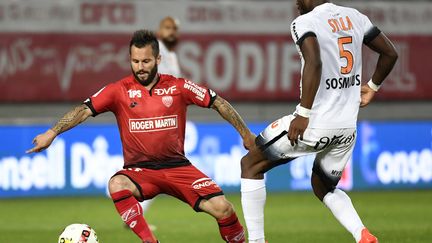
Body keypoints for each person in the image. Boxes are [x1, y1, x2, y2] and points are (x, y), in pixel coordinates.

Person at [27, 30, 255, 243]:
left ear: (157, 60)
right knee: (116, 183)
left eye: (146, 61)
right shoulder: (118, 90)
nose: (140, 67)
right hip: (141, 171)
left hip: (178, 167)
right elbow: (83, 110)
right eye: (135, 62)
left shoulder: (178, 86)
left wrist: (245, 134)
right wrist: (52, 132)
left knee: (223, 208)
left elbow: (218, 103)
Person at [239, 1, 398, 243]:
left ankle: (256, 241)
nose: (296, 2)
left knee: (250, 163)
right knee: (323, 187)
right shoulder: (355, 16)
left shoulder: (304, 22)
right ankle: (362, 234)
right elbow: (390, 53)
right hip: (347, 128)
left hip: (315, 123)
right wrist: (373, 86)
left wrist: (303, 113)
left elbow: (314, 62)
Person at [137, 16, 182, 230]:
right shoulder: (155, 53)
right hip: (155, 119)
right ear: (159, 29)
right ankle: (130, 204)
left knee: (156, 169)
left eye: (174, 28)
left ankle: (136, 211)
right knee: (158, 169)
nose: (171, 31)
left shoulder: (170, 54)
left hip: (169, 121)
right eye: (167, 27)